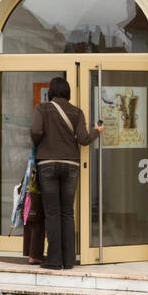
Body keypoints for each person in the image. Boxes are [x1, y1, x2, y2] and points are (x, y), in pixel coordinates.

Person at [30, 76, 102, 269]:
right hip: (71, 165)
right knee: (67, 213)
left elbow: (36, 132)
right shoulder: (77, 112)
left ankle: (54, 260)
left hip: (47, 164)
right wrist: (97, 131)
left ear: (51, 91)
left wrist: (41, 144)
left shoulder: (42, 108)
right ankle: (68, 260)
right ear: (68, 92)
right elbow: (84, 139)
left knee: (52, 213)